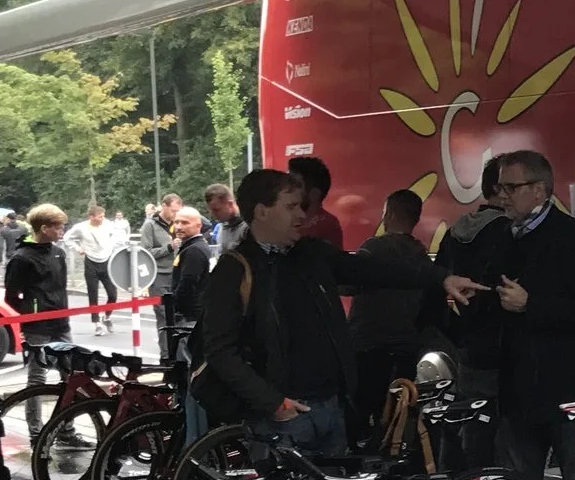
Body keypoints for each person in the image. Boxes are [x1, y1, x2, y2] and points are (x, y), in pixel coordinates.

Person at [197, 168, 465, 458]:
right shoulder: (234, 270)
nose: (301, 215)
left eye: (301, 205)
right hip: (282, 417)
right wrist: (274, 404)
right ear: (262, 212)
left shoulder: (312, 254)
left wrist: (440, 279)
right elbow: (220, 350)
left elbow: (373, 269)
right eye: (290, 207)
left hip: (331, 408)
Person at [467, 149, 575, 480]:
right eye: (499, 187)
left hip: (569, 392)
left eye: (510, 187)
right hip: (517, 392)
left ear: (539, 189)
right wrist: (474, 297)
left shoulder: (574, 236)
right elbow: (496, 298)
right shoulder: (499, 237)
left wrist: (531, 305)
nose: (501, 196)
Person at [436, 156, 512, 465]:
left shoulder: (455, 232)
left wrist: (457, 332)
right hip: (504, 348)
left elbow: (435, 287)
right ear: (501, 188)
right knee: (506, 437)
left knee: (474, 427)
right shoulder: (508, 232)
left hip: (469, 348)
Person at [349, 188, 436, 441]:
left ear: (391, 215)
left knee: (361, 411)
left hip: (367, 346)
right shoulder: (421, 256)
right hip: (406, 349)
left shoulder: (373, 249)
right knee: (399, 414)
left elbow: (348, 283)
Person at [3, 203, 72, 419]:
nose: (62, 231)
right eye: (58, 227)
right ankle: (36, 432)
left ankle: (65, 429)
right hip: (38, 326)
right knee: (37, 379)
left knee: (69, 376)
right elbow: (11, 296)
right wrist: (31, 314)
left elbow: (60, 287)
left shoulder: (59, 253)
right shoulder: (21, 258)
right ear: (44, 228)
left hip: (61, 322)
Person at [166, 207, 214, 444]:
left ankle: (194, 439)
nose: (180, 226)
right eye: (176, 222)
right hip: (189, 318)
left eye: (185, 222)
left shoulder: (195, 250)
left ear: (198, 225)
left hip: (190, 321)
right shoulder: (190, 248)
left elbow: (187, 284)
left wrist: (175, 306)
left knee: (190, 377)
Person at [65, 203, 125, 328]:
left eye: (103, 216)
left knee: (113, 294)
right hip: (91, 263)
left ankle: (107, 316)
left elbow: (118, 235)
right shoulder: (81, 227)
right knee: (93, 294)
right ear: (91, 217)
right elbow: (67, 238)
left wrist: (112, 245)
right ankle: (96, 323)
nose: (102, 219)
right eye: (99, 217)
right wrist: (78, 248)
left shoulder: (108, 224)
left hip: (106, 261)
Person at [290, 155, 345, 246]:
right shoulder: (284, 219)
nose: (288, 189)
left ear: (314, 194)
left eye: (296, 185)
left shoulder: (328, 225)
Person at [203, 183, 240, 255]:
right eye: (211, 210)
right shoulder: (222, 227)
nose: (213, 215)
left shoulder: (248, 228)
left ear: (230, 204)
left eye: (216, 210)